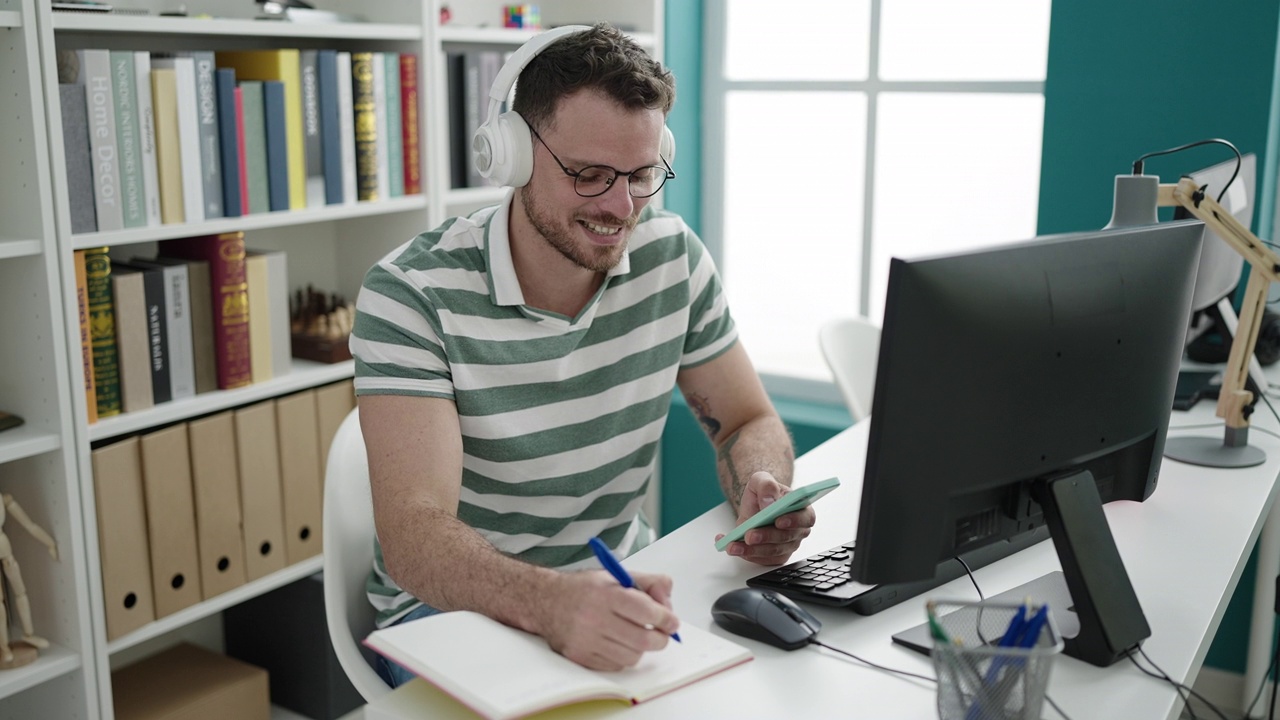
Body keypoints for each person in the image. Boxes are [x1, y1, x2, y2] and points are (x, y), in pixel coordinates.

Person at [351, 23, 814, 687]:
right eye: (591, 175)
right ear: (509, 154)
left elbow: (746, 422)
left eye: (643, 174)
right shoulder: (412, 295)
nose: (621, 207)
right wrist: (552, 605)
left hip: (616, 585)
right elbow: (414, 537)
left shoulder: (672, 257)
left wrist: (761, 489)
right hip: (448, 615)